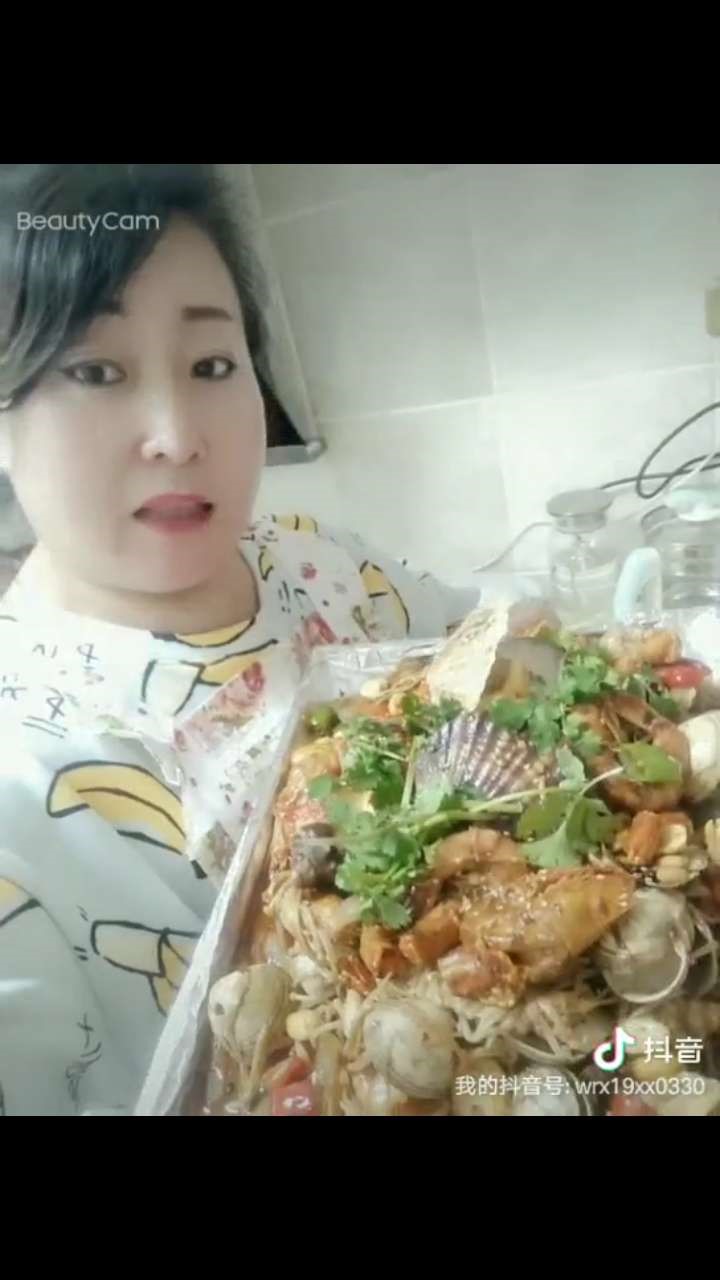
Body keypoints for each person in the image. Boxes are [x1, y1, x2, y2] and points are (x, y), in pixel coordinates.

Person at [0, 164, 476, 1115]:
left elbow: (497, 660)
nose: (176, 435)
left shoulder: (320, 561)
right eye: (95, 371)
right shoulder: (22, 768)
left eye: (213, 365)